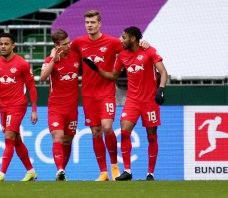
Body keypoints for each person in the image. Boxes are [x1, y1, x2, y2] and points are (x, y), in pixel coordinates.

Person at [83, 26, 168, 181]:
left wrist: (160, 89)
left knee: (152, 137)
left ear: (133, 38)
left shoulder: (149, 51)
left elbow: (163, 72)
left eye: (124, 37)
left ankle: (150, 174)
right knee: (124, 132)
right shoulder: (122, 55)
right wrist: (96, 69)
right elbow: (113, 75)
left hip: (149, 101)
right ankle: (127, 171)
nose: (121, 40)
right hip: (132, 101)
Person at [70, 9, 122, 181]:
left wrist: (144, 45)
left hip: (106, 91)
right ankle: (103, 172)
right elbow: (68, 57)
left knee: (107, 127)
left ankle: (115, 167)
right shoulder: (78, 43)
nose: (90, 26)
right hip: (88, 93)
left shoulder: (112, 42)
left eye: (93, 22)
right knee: (96, 131)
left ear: (100, 23)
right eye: (87, 23)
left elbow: (130, 48)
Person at [0, 32, 38, 182]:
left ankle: (1, 173)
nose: (3, 46)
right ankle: (31, 171)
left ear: (13, 45)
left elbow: (32, 87)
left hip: (18, 105)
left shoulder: (22, 63)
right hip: (3, 107)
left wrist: (34, 110)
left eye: (6, 44)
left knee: (9, 137)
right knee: (16, 140)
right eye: (1, 44)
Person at [40, 29, 81, 181]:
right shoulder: (50, 60)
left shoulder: (76, 56)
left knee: (68, 140)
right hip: (56, 107)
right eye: (64, 44)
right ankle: (60, 169)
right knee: (58, 136)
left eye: (69, 42)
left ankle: (62, 173)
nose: (68, 46)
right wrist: (52, 59)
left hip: (72, 107)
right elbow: (43, 77)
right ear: (56, 45)